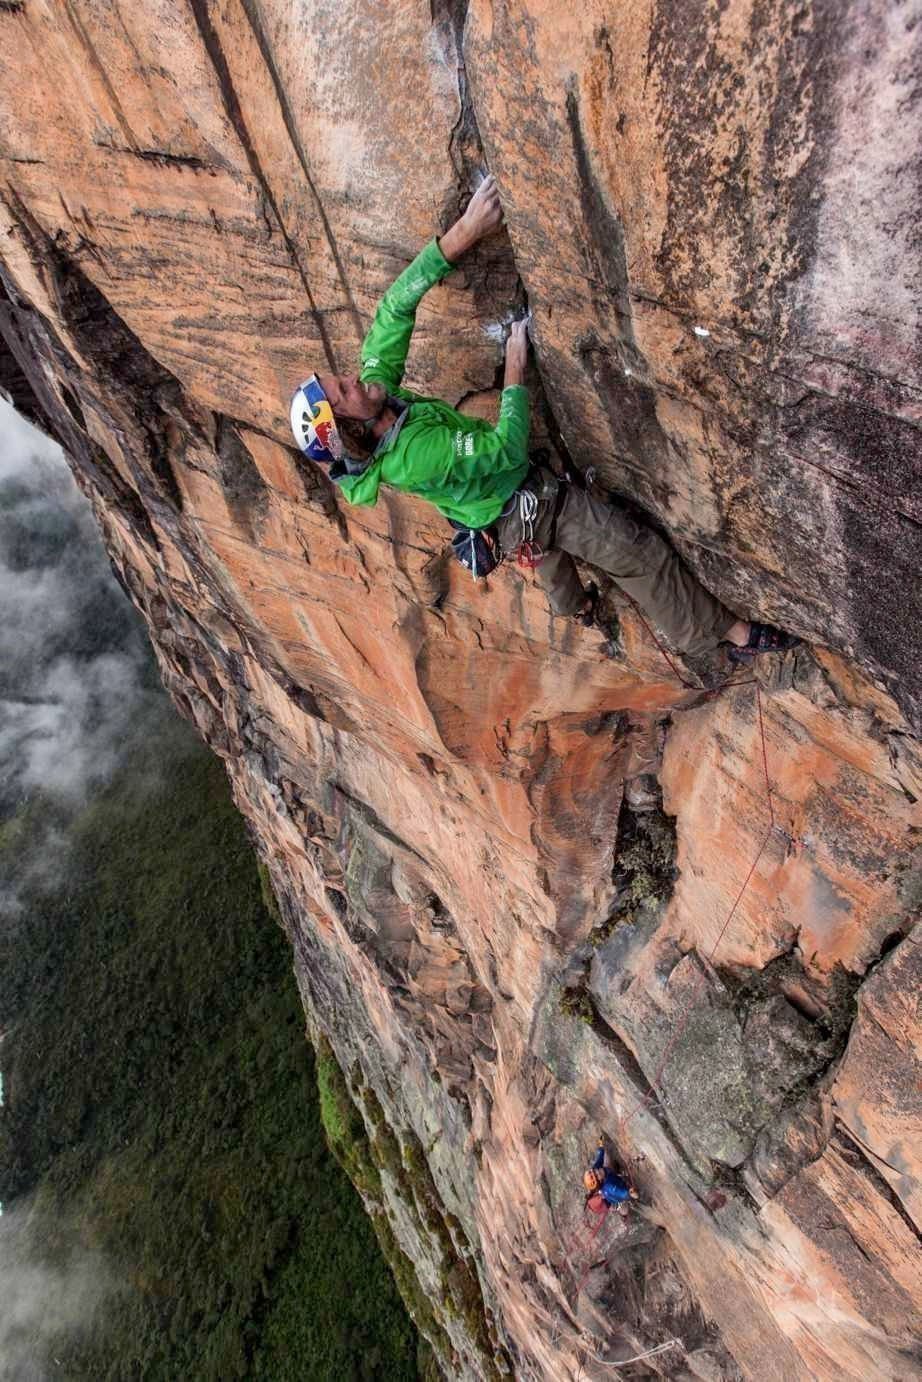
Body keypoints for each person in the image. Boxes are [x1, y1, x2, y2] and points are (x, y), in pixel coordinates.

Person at [290, 175, 798, 664]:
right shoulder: (410, 457)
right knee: (638, 553)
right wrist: (516, 368)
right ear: (352, 428)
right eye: (344, 391)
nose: (353, 379)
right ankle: (725, 636)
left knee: (557, 572)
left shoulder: (378, 396)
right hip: (522, 501)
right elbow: (506, 451)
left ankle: (577, 607)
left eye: (343, 378)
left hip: (496, 507)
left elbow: (394, 308)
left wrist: (464, 232)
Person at [584, 1139, 638, 1217]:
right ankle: (624, 1213)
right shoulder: (610, 1186)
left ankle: (617, 1172)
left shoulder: (596, 1169)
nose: (597, 1171)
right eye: (596, 1175)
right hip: (616, 1198)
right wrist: (631, 1192)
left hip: (611, 1178)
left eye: (594, 1171)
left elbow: (600, 1157)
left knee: (608, 1162)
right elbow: (624, 1194)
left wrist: (601, 1145)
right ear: (600, 1181)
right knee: (624, 1209)